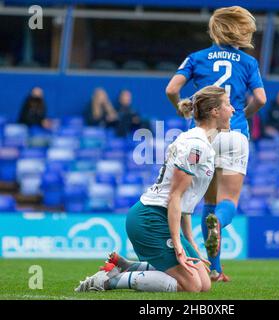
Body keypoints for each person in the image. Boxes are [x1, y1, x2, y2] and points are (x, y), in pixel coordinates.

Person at [75, 86, 235, 293]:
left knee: (204, 284)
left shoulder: (200, 142)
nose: (233, 110)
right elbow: (175, 196)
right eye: (228, 104)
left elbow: (184, 202)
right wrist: (178, 244)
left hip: (161, 217)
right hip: (149, 219)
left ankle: (128, 266)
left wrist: (191, 242)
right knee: (192, 286)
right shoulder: (196, 145)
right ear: (215, 111)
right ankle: (109, 281)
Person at [165, 6, 267, 281]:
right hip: (234, 133)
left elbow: (172, 89)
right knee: (227, 202)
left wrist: (182, 108)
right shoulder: (247, 62)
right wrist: (242, 114)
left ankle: (216, 268)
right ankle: (219, 224)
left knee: (208, 202)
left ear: (213, 30)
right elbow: (261, 99)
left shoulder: (196, 58)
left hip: (202, 137)